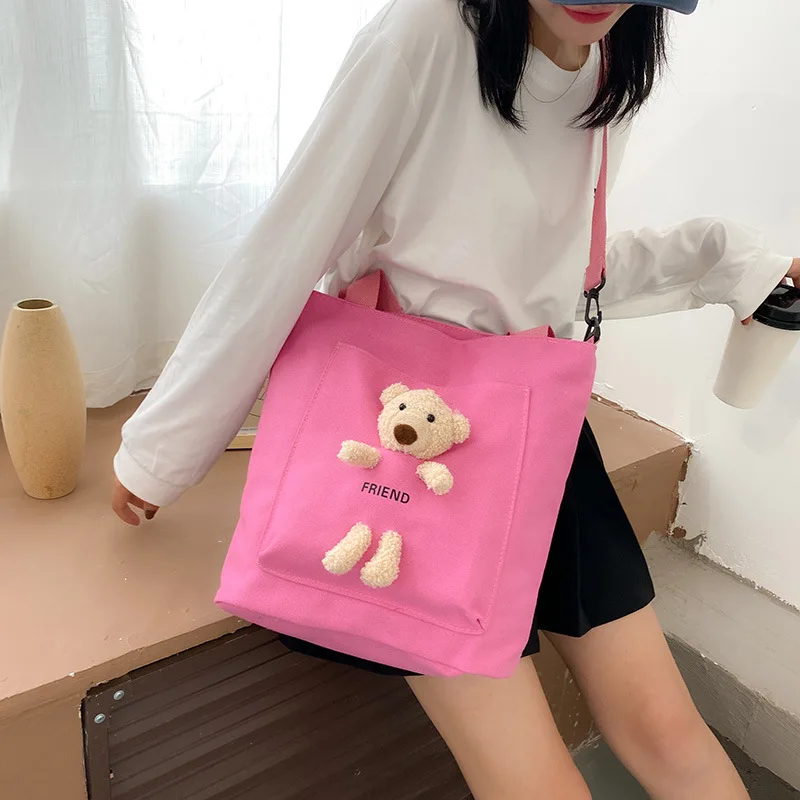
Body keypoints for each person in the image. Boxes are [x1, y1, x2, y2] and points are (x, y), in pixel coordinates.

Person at [112, 1, 798, 797]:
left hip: (536, 435)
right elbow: (286, 248)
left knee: (669, 734)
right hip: (408, 455)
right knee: (540, 784)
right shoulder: (426, 35)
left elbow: (557, 275)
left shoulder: (611, 63)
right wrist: (164, 450)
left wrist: (729, 260)